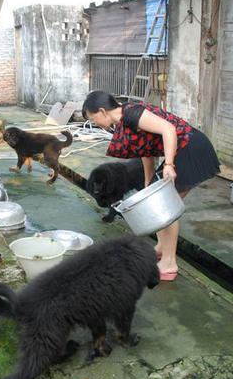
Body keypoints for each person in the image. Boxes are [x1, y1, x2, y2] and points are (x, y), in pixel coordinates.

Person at [82, 90, 220, 281]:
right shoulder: (123, 121)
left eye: (93, 118)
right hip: (186, 149)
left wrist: (169, 164)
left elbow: (168, 129)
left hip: (192, 148)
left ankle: (169, 263)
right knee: (157, 202)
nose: (94, 123)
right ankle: (162, 249)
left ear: (102, 111)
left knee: (165, 207)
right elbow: (146, 149)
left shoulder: (131, 114)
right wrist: (148, 183)